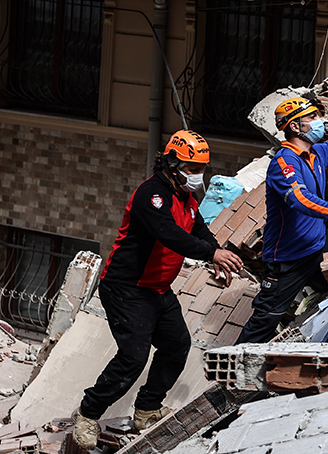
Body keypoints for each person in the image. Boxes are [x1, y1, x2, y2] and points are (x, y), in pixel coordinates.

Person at [74, 131, 244, 449]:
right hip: (127, 288)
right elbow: (168, 234)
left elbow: (198, 229)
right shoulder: (151, 195)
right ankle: (87, 414)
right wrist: (211, 255)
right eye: (192, 168)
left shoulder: (187, 199)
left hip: (158, 289)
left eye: (200, 168)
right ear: (172, 163)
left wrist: (216, 251)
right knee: (133, 357)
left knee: (177, 345)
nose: (197, 175)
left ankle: (147, 408)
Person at [235, 98, 328, 344]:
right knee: (265, 321)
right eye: (311, 118)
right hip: (288, 260)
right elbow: (301, 200)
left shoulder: (315, 154)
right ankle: (231, 374)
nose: (318, 122)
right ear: (294, 127)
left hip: (316, 245)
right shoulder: (284, 163)